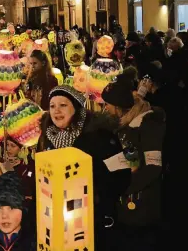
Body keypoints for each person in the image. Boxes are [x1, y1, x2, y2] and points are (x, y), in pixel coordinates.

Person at [37, 85, 131, 250]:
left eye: (63, 105)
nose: (56, 111)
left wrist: (96, 196)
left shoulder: (100, 136)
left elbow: (122, 176)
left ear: (76, 108)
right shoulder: (46, 137)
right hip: (56, 224)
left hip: (93, 220)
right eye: (52, 106)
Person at [102, 74, 165, 251]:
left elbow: (152, 168)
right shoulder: (123, 125)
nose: (105, 109)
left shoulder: (147, 125)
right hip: (125, 208)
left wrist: (124, 187)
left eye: (107, 105)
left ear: (118, 107)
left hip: (142, 208)